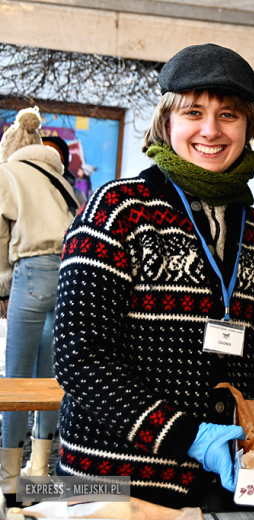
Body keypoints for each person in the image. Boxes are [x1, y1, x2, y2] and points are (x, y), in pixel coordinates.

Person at [51, 43, 254, 510]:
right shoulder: (116, 211)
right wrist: (187, 435)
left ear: (248, 128)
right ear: (167, 122)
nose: (210, 130)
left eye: (228, 115)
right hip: (109, 484)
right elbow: (79, 357)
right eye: (193, 112)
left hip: (217, 485)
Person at [0, 107, 78, 494]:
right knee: (50, 379)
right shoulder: (58, 177)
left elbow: (1, 234)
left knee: (16, 379)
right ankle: (39, 470)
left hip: (30, 271)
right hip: (67, 271)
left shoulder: (7, 172)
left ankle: (9, 478)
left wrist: (2, 286)